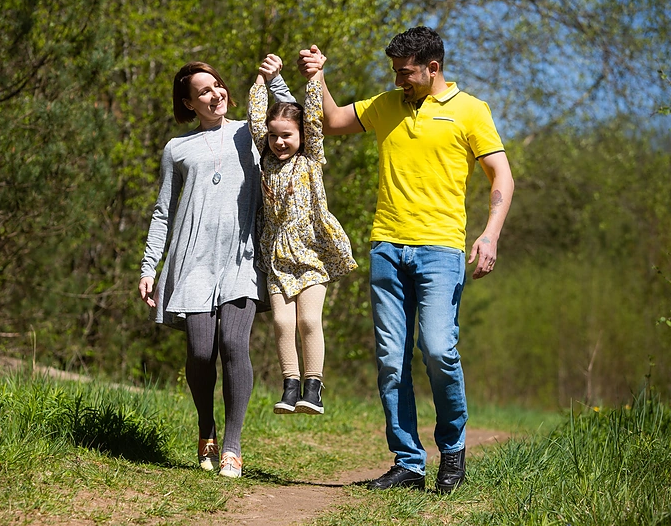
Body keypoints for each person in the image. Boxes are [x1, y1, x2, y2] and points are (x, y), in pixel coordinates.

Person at [298, 27, 514, 493]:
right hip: (387, 247)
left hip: (440, 250)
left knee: (438, 350)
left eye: (406, 72)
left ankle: (452, 453)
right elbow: (333, 121)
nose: (399, 80)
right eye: (395, 72)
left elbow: (501, 174)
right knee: (391, 361)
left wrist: (490, 234)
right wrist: (317, 77)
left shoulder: (470, 111)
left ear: (433, 68)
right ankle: (409, 464)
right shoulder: (386, 105)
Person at [139, 60, 294, 479]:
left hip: (242, 257)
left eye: (219, 85)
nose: (216, 94)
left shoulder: (252, 131)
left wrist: (274, 77)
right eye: (203, 91)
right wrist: (149, 265)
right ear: (189, 103)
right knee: (200, 351)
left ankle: (232, 445)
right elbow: (161, 213)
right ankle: (205, 429)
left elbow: (296, 118)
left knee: (233, 343)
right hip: (192, 261)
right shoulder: (177, 148)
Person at [247, 55, 357, 416]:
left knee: (309, 321)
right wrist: (263, 80)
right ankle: (290, 385)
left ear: (302, 136)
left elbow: (311, 113)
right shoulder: (265, 159)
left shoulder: (310, 157)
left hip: (311, 250)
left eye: (287, 136)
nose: (280, 142)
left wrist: (315, 77)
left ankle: (314, 385)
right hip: (276, 252)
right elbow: (255, 117)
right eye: (275, 136)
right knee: (281, 322)